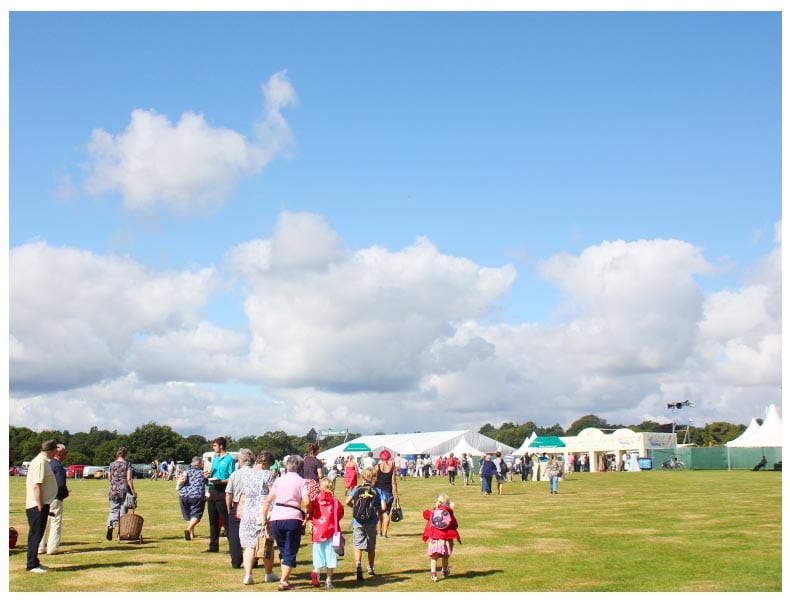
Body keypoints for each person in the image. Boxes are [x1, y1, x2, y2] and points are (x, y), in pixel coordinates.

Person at [260, 454, 310, 591]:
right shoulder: (302, 482)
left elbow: (267, 501)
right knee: (290, 550)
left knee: (283, 550)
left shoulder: (279, 480)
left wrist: (264, 518)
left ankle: (285, 578)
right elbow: (306, 501)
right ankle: (283, 581)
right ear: (300, 468)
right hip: (293, 517)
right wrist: (308, 512)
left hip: (276, 517)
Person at [238, 450, 277, 585]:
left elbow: (243, 493)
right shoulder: (267, 475)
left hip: (248, 510)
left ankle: (248, 575)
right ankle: (268, 573)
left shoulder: (247, 474)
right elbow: (273, 494)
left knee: (249, 545)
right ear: (267, 463)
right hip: (262, 511)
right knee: (266, 542)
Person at [345, 467, 387, 582]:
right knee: (371, 544)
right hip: (371, 520)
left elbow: (347, 501)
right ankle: (371, 567)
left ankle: (358, 564)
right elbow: (383, 507)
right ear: (373, 477)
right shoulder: (377, 490)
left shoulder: (357, 489)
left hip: (358, 521)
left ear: (362, 477)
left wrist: (355, 508)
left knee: (358, 544)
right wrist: (377, 511)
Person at [25, 440, 58, 572]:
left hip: (42, 504)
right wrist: (40, 505)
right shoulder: (40, 463)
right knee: (35, 535)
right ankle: (31, 564)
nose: (56, 453)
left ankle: (35, 562)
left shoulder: (43, 462)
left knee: (38, 535)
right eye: (55, 450)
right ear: (50, 450)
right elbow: (36, 485)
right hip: (37, 505)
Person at [309, 477, 344, 590]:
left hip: (318, 532)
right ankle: (328, 581)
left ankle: (316, 571)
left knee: (318, 553)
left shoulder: (315, 501)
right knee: (330, 556)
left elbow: (310, 512)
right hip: (331, 532)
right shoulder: (335, 502)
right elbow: (340, 514)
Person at [204, 436, 235, 553]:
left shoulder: (229, 460)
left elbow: (232, 477)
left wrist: (221, 481)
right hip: (212, 490)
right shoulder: (215, 459)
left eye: (215, 445)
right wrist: (207, 476)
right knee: (213, 521)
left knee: (226, 520)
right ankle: (213, 546)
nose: (213, 447)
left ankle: (233, 547)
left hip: (222, 491)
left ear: (221, 446)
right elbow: (213, 473)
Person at [422, 493, 461, 582]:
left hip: (435, 539)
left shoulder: (434, 512)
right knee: (445, 557)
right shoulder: (449, 514)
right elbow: (455, 524)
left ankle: (433, 574)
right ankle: (444, 571)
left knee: (434, 557)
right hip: (446, 539)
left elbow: (425, 514)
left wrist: (434, 509)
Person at [225, 448, 254, 569]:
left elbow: (228, 494)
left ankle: (236, 561)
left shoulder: (235, 474)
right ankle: (253, 559)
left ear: (241, 461)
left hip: (237, 505)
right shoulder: (255, 473)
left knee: (234, 535)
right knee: (252, 535)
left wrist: (229, 509)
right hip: (252, 505)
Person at [39, 443, 68, 556]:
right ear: (60, 453)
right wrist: (65, 493)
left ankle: (40, 546)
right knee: (55, 522)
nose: (66, 455)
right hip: (55, 498)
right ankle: (52, 547)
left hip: (45, 497)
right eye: (65, 453)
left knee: (44, 522)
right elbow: (60, 484)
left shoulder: (47, 463)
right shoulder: (58, 466)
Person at [106, 446, 137, 541]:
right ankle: (121, 531)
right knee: (123, 512)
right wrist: (133, 491)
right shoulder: (127, 464)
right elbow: (129, 479)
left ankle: (110, 527)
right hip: (124, 490)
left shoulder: (112, 464)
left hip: (113, 490)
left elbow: (109, 478)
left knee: (114, 510)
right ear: (125, 454)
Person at [177, 455, 207, 541]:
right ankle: (188, 529)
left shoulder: (186, 471)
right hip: (196, 496)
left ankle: (191, 535)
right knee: (196, 515)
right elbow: (207, 483)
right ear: (200, 464)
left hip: (183, 495)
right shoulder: (202, 473)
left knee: (189, 515)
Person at [374, 450, 399, 538]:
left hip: (379, 493)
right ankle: (385, 533)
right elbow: (393, 482)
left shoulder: (377, 467)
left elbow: (374, 480)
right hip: (388, 493)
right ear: (389, 457)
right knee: (386, 513)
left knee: (378, 513)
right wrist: (396, 495)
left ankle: (379, 531)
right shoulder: (392, 468)